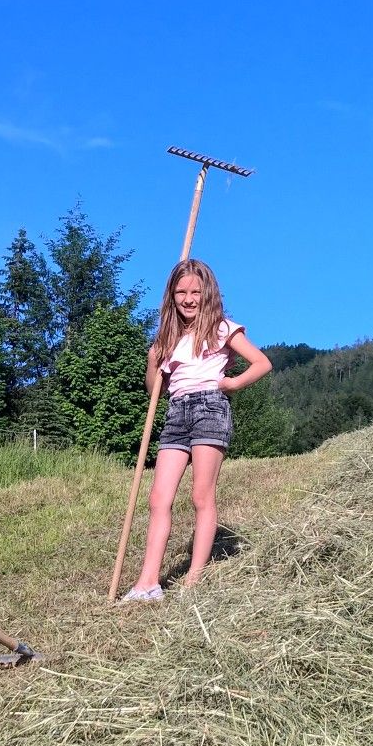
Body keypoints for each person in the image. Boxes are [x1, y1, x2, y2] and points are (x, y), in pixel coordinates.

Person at [121, 258, 271, 602]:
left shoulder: (222, 328)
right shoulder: (169, 337)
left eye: (195, 292)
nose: (188, 299)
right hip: (176, 411)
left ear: (208, 293)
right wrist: (153, 361)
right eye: (181, 292)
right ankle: (147, 583)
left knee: (201, 496)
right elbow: (155, 390)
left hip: (210, 408)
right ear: (171, 296)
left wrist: (232, 383)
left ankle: (193, 581)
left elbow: (262, 363)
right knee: (158, 498)